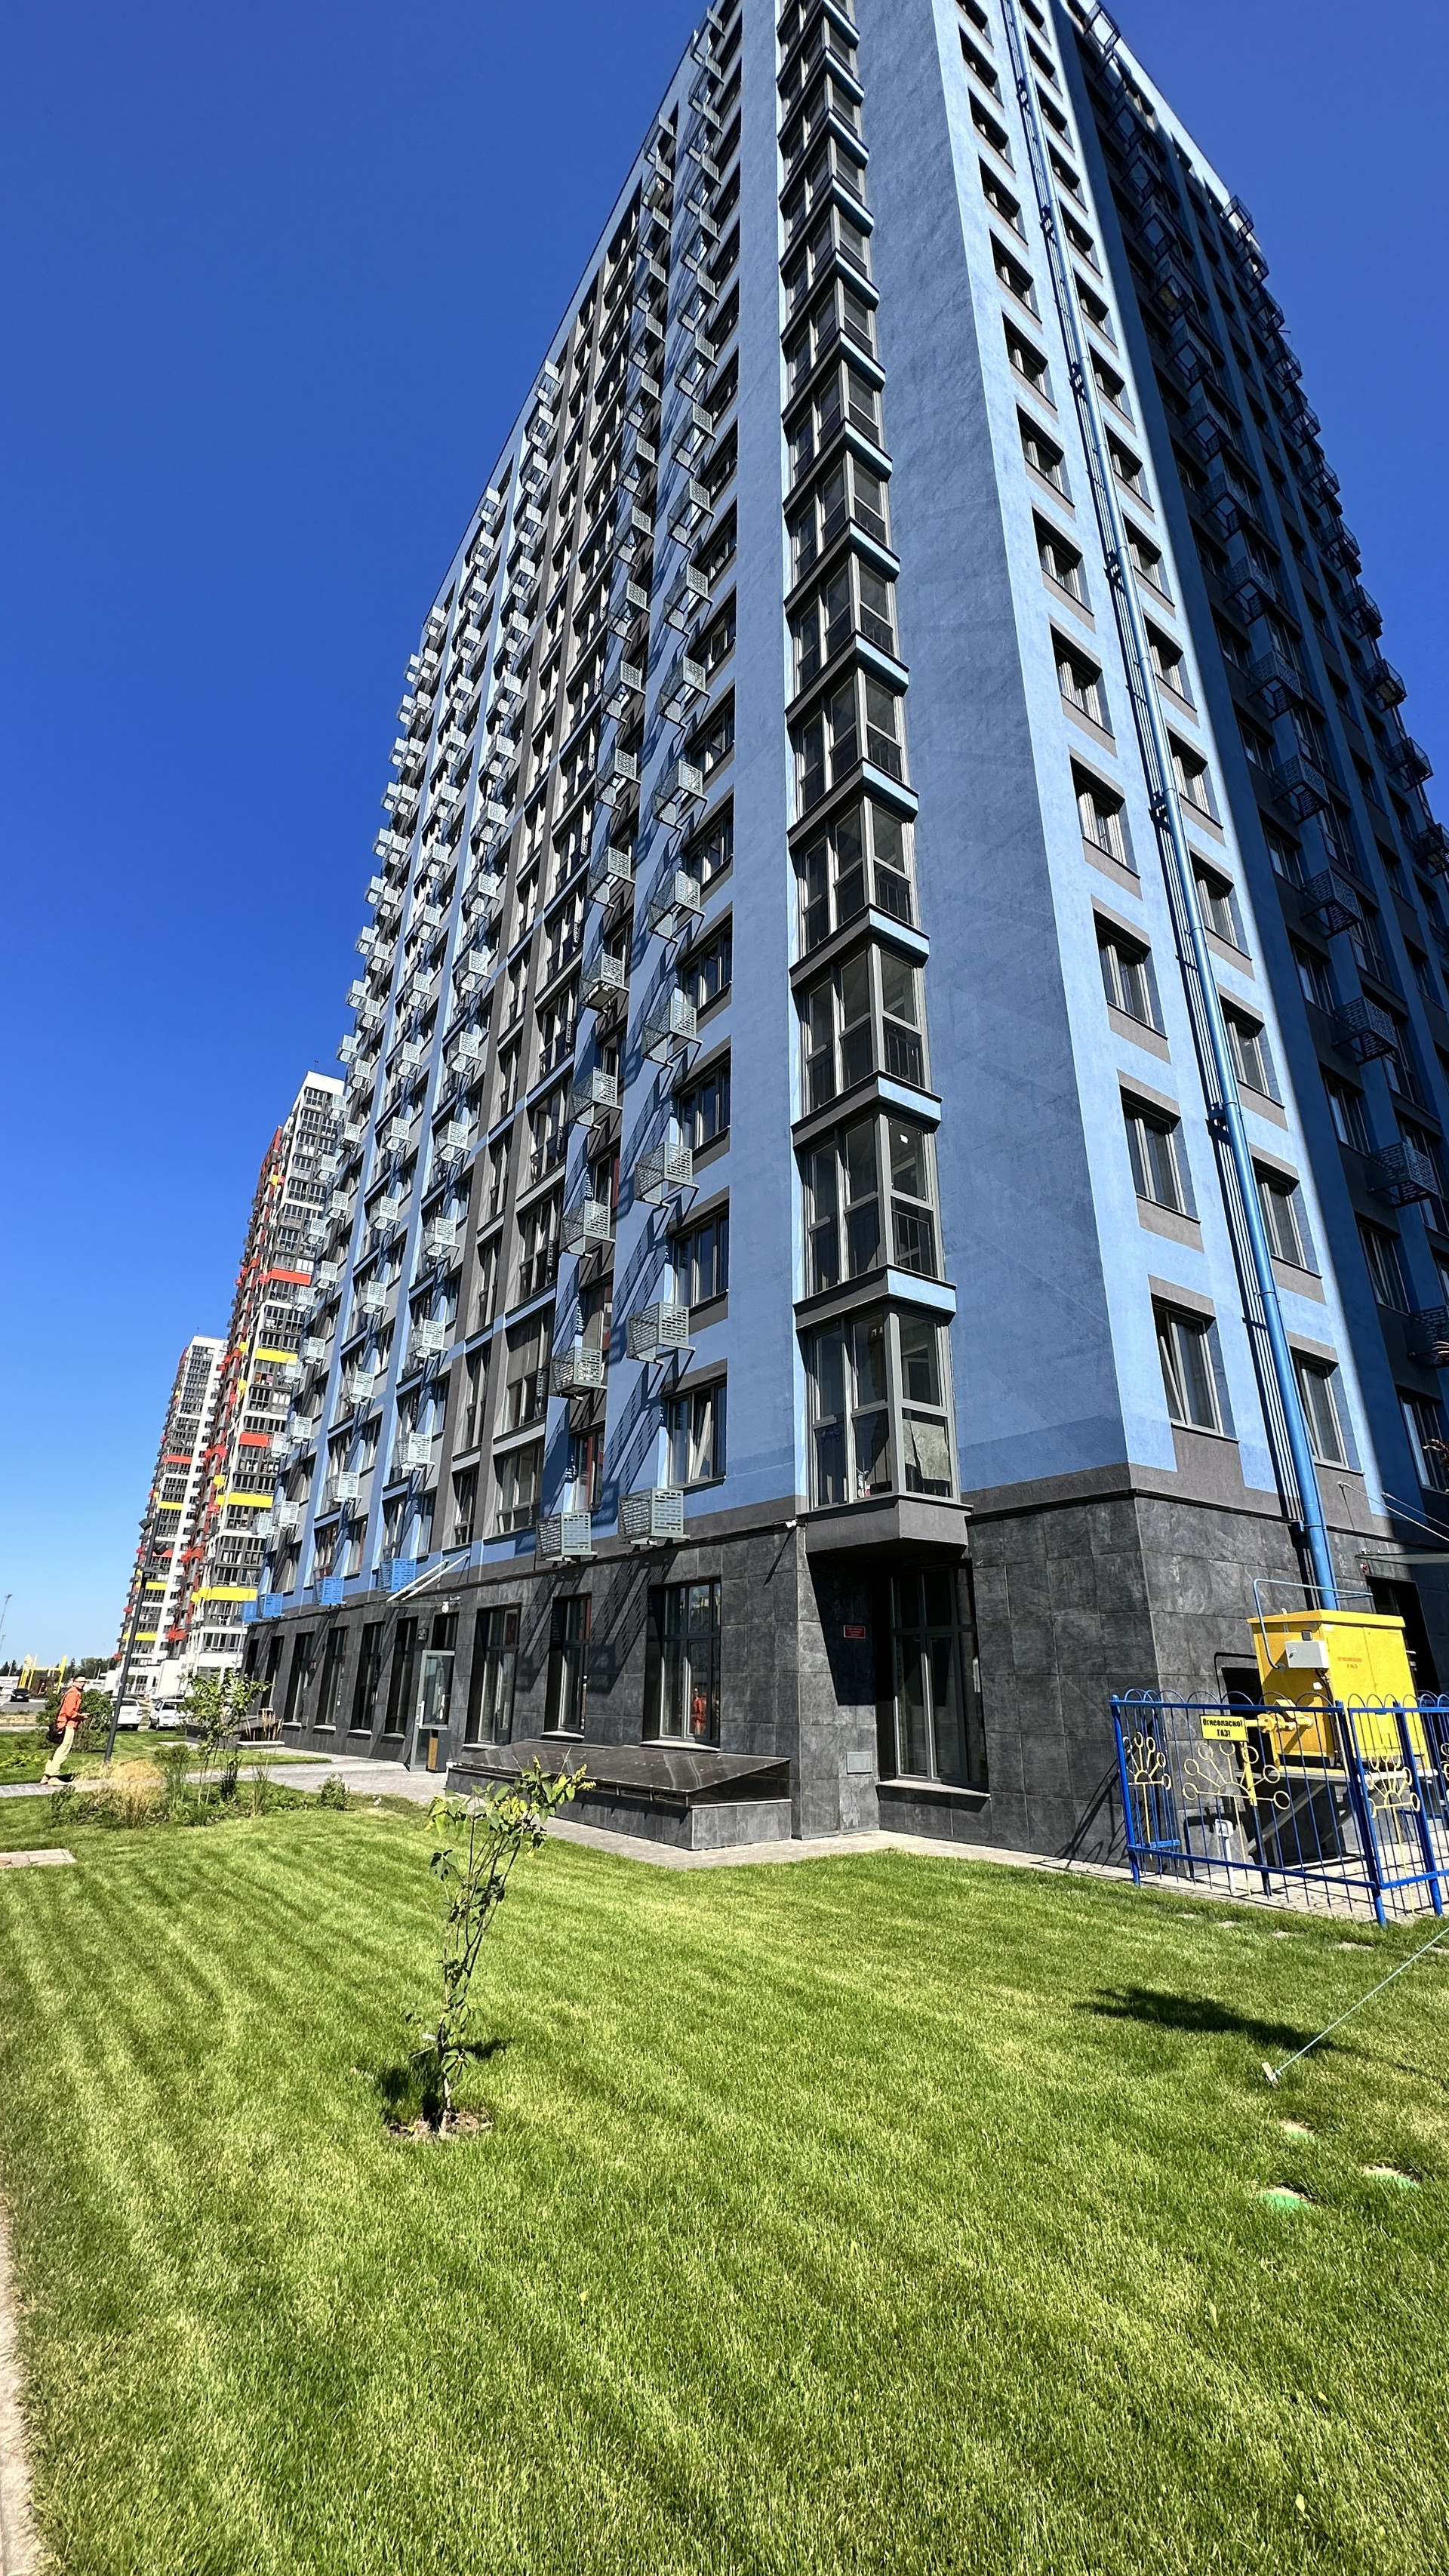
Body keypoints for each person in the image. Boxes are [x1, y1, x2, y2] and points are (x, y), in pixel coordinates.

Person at [42, 1679, 85, 1782]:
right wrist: (81, 1716)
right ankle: (54, 1776)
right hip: (67, 1726)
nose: (82, 1684)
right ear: (74, 1682)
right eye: (80, 1681)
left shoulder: (71, 1693)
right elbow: (70, 1713)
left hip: (63, 1724)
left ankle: (47, 1775)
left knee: (58, 1750)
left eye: (84, 1682)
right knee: (63, 1751)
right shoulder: (73, 1694)